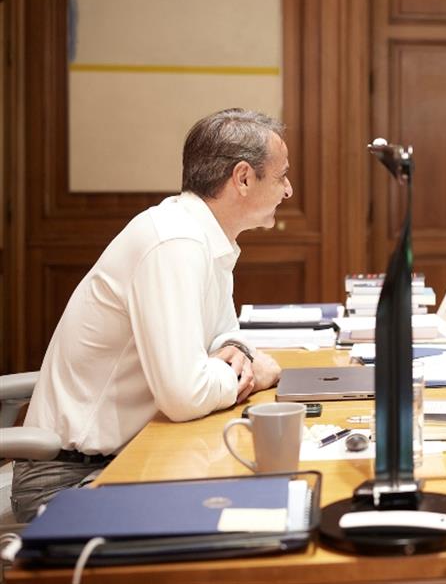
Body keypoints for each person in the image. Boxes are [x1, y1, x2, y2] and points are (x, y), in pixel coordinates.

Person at [12, 108, 290, 521]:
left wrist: (237, 354)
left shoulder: (204, 236)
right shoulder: (175, 242)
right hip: (68, 480)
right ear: (244, 178)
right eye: (282, 176)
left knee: (265, 500)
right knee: (248, 520)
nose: (288, 190)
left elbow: (226, 337)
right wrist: (252, 374)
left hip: (125, 455)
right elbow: (184, 395)